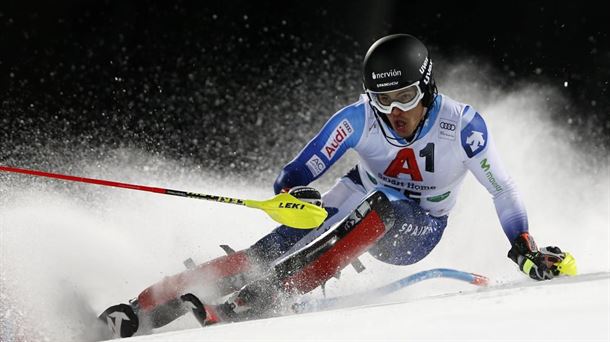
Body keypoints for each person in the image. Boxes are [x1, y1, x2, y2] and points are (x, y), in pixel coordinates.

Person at [98, 33, 575, 338]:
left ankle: (266, 297)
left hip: (419, 227)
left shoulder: (463, 126)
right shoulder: (356, 119)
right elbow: (294, 173)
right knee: (263, 252)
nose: (396, 113)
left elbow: (503, 190)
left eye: (406, 97)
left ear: (427, 89)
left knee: (381, 209)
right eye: (383, 100)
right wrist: (295, 195)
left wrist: (524, 245)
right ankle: (138, 310)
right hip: (356, 201)